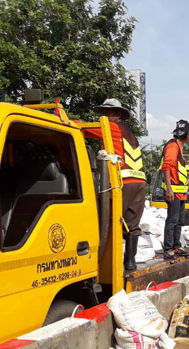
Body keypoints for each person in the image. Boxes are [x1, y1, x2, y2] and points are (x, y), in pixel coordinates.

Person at [81, 98, 146, 271]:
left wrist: (61, 120)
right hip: (139, 182)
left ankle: (111, 263)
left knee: (112, 222)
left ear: (117, 114)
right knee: (132, 225)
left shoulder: (110, 127)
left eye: (107, 112)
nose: (103, 116)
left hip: (123, 182)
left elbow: (82, 128)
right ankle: (130, 262)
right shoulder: (129, 133)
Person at [160, 119, 189, 260]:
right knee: (172, 220)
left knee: (179, 221)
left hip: (180, 192)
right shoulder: (173, 146)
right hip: (173, 191)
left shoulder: (178, 146)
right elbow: (166, 167)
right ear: (187, 135)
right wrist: (169, 189)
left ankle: (176, 245)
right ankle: (168, 248)